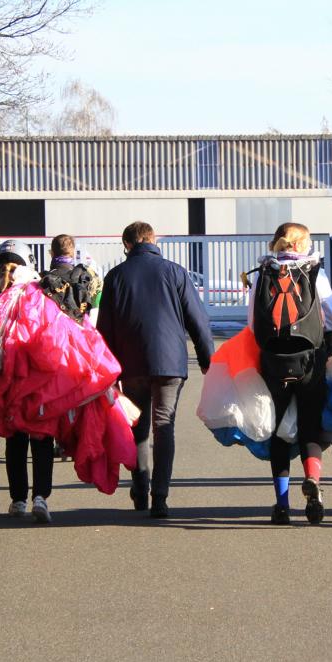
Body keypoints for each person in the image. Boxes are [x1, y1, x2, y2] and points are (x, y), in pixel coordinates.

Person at [96, 222, 214, 518]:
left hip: (131, 364)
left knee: (138, 426)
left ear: (127, 245)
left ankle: (140, 488)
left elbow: (104, 329)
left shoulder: (115, 276)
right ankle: (160, 497)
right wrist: (207, 360)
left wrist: (107, 370)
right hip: (170, 362)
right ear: (153, 239)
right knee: (164, 425)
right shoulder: (175, 272)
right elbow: (198, 320)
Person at [248, 222, 332, 525]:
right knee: (309, 427)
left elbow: (252, 323)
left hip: (274, 363)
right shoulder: (314, 271)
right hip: (310, 361)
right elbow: (331, 318)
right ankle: (312, 480)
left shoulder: (263, 272)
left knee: (278, 432)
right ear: (302, 244)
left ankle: (282, 505)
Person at [0, 240, 56, 523]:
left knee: (16, 440)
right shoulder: (41, 295)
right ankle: (41, 497)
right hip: (38, 381)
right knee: (42, 438)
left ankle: (18, 499)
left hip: (6, 383)